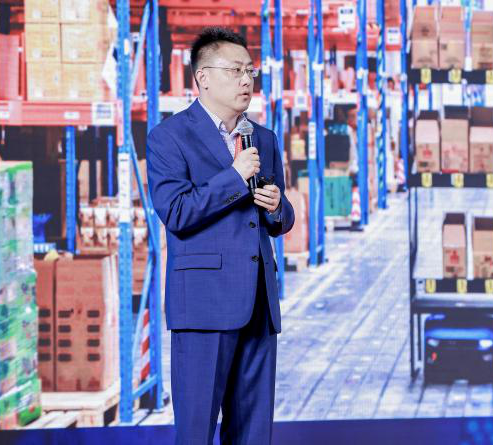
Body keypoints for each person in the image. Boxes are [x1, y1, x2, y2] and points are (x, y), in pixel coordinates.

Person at [146, 27, 295, 445]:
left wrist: (276, 207)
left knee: (253, 433)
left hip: (259, 306)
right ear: (204, 78)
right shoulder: (169, 137)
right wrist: (234, 177)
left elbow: (279, 219)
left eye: (250, 71)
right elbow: (176, 212)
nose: (247, 80)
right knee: (196, 430)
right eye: (235, 71)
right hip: (204, 305)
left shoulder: (262, 138)